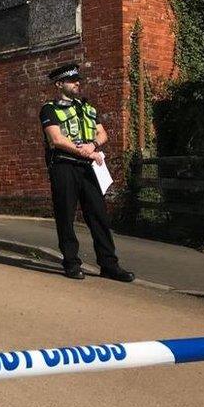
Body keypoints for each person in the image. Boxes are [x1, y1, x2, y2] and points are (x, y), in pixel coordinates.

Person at [39, 64, 134, 282]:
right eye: (72, 81)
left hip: (88, 168)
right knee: (66, 215)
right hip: (64, 166)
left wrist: (92, 145)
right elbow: (56, 139)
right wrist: (87, 152)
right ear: (59, 84)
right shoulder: (49, 109)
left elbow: (103, 134)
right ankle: (71, 263)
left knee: (99, 215)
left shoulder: (88, 108)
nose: (77, 83)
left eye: (78, 80)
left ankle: (109, 265)